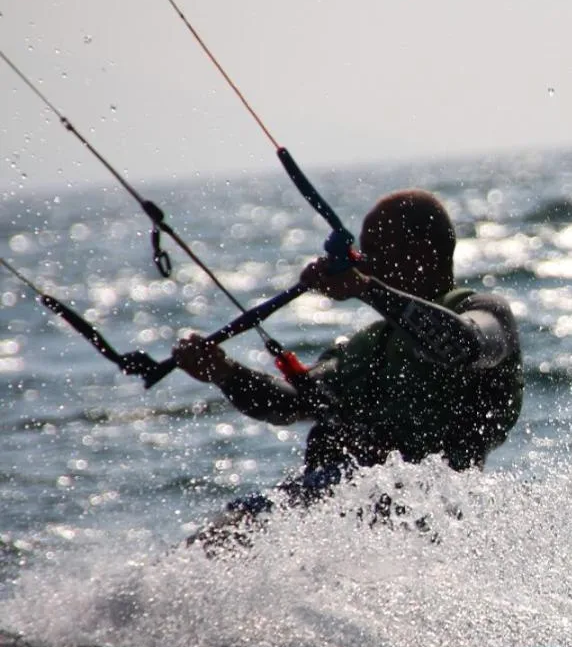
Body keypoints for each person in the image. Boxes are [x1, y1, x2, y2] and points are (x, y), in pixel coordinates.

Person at [172, 189, 523, 542]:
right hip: (342, 500)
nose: (363, 262)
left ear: (422, 254)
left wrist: (366, 289)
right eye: (362, 254)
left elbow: (462, 345)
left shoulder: (484, 313)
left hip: (428, 510)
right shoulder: (365, 346)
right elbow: (292, 401)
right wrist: (223, 372)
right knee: (218, 535)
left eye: (375, 251)